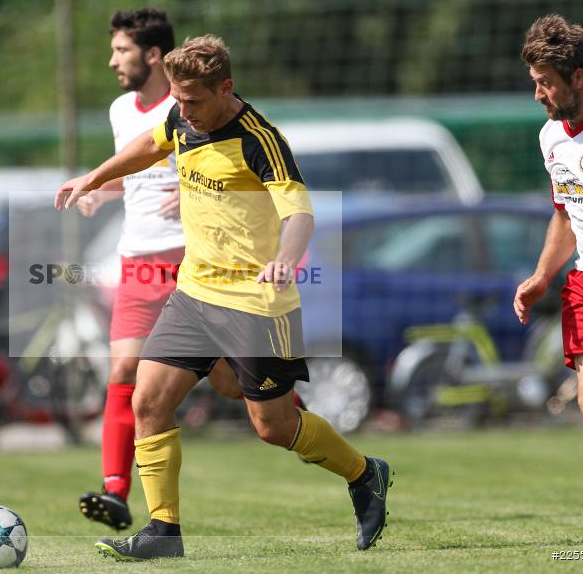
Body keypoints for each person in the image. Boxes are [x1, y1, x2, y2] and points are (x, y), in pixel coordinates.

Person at [56, 35, 391, 560]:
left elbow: (299, 214)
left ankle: (364, 473)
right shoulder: (181, 117)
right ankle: (163, 530)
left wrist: (286, 259)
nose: (183, 110)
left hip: (257, 303)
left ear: (225, 88)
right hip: (194, 293)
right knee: (148, 401)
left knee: (273, 427)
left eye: (193, 100)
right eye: (177, 99)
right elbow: (151, 144)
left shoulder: (261, 140)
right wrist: (96, 176)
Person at [76, 8, 243, 532]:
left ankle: (289, 407)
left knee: (232, 384)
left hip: (191, 259)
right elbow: (136, 171)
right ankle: (116, 493)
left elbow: (234, 169)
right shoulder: (120, 110)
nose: (113, 61)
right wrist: (102, 189)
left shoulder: (191, 104)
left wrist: (194, 193)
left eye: (121, 50)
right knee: (122, 371)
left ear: (152, 55)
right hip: (137, 260)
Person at [515, 14, 583, 543]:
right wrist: (542, 276)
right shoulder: (550, 137)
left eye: (545, 82)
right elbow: (565, 214)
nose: (538, 93)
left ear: (577, 77)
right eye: (535, 81)